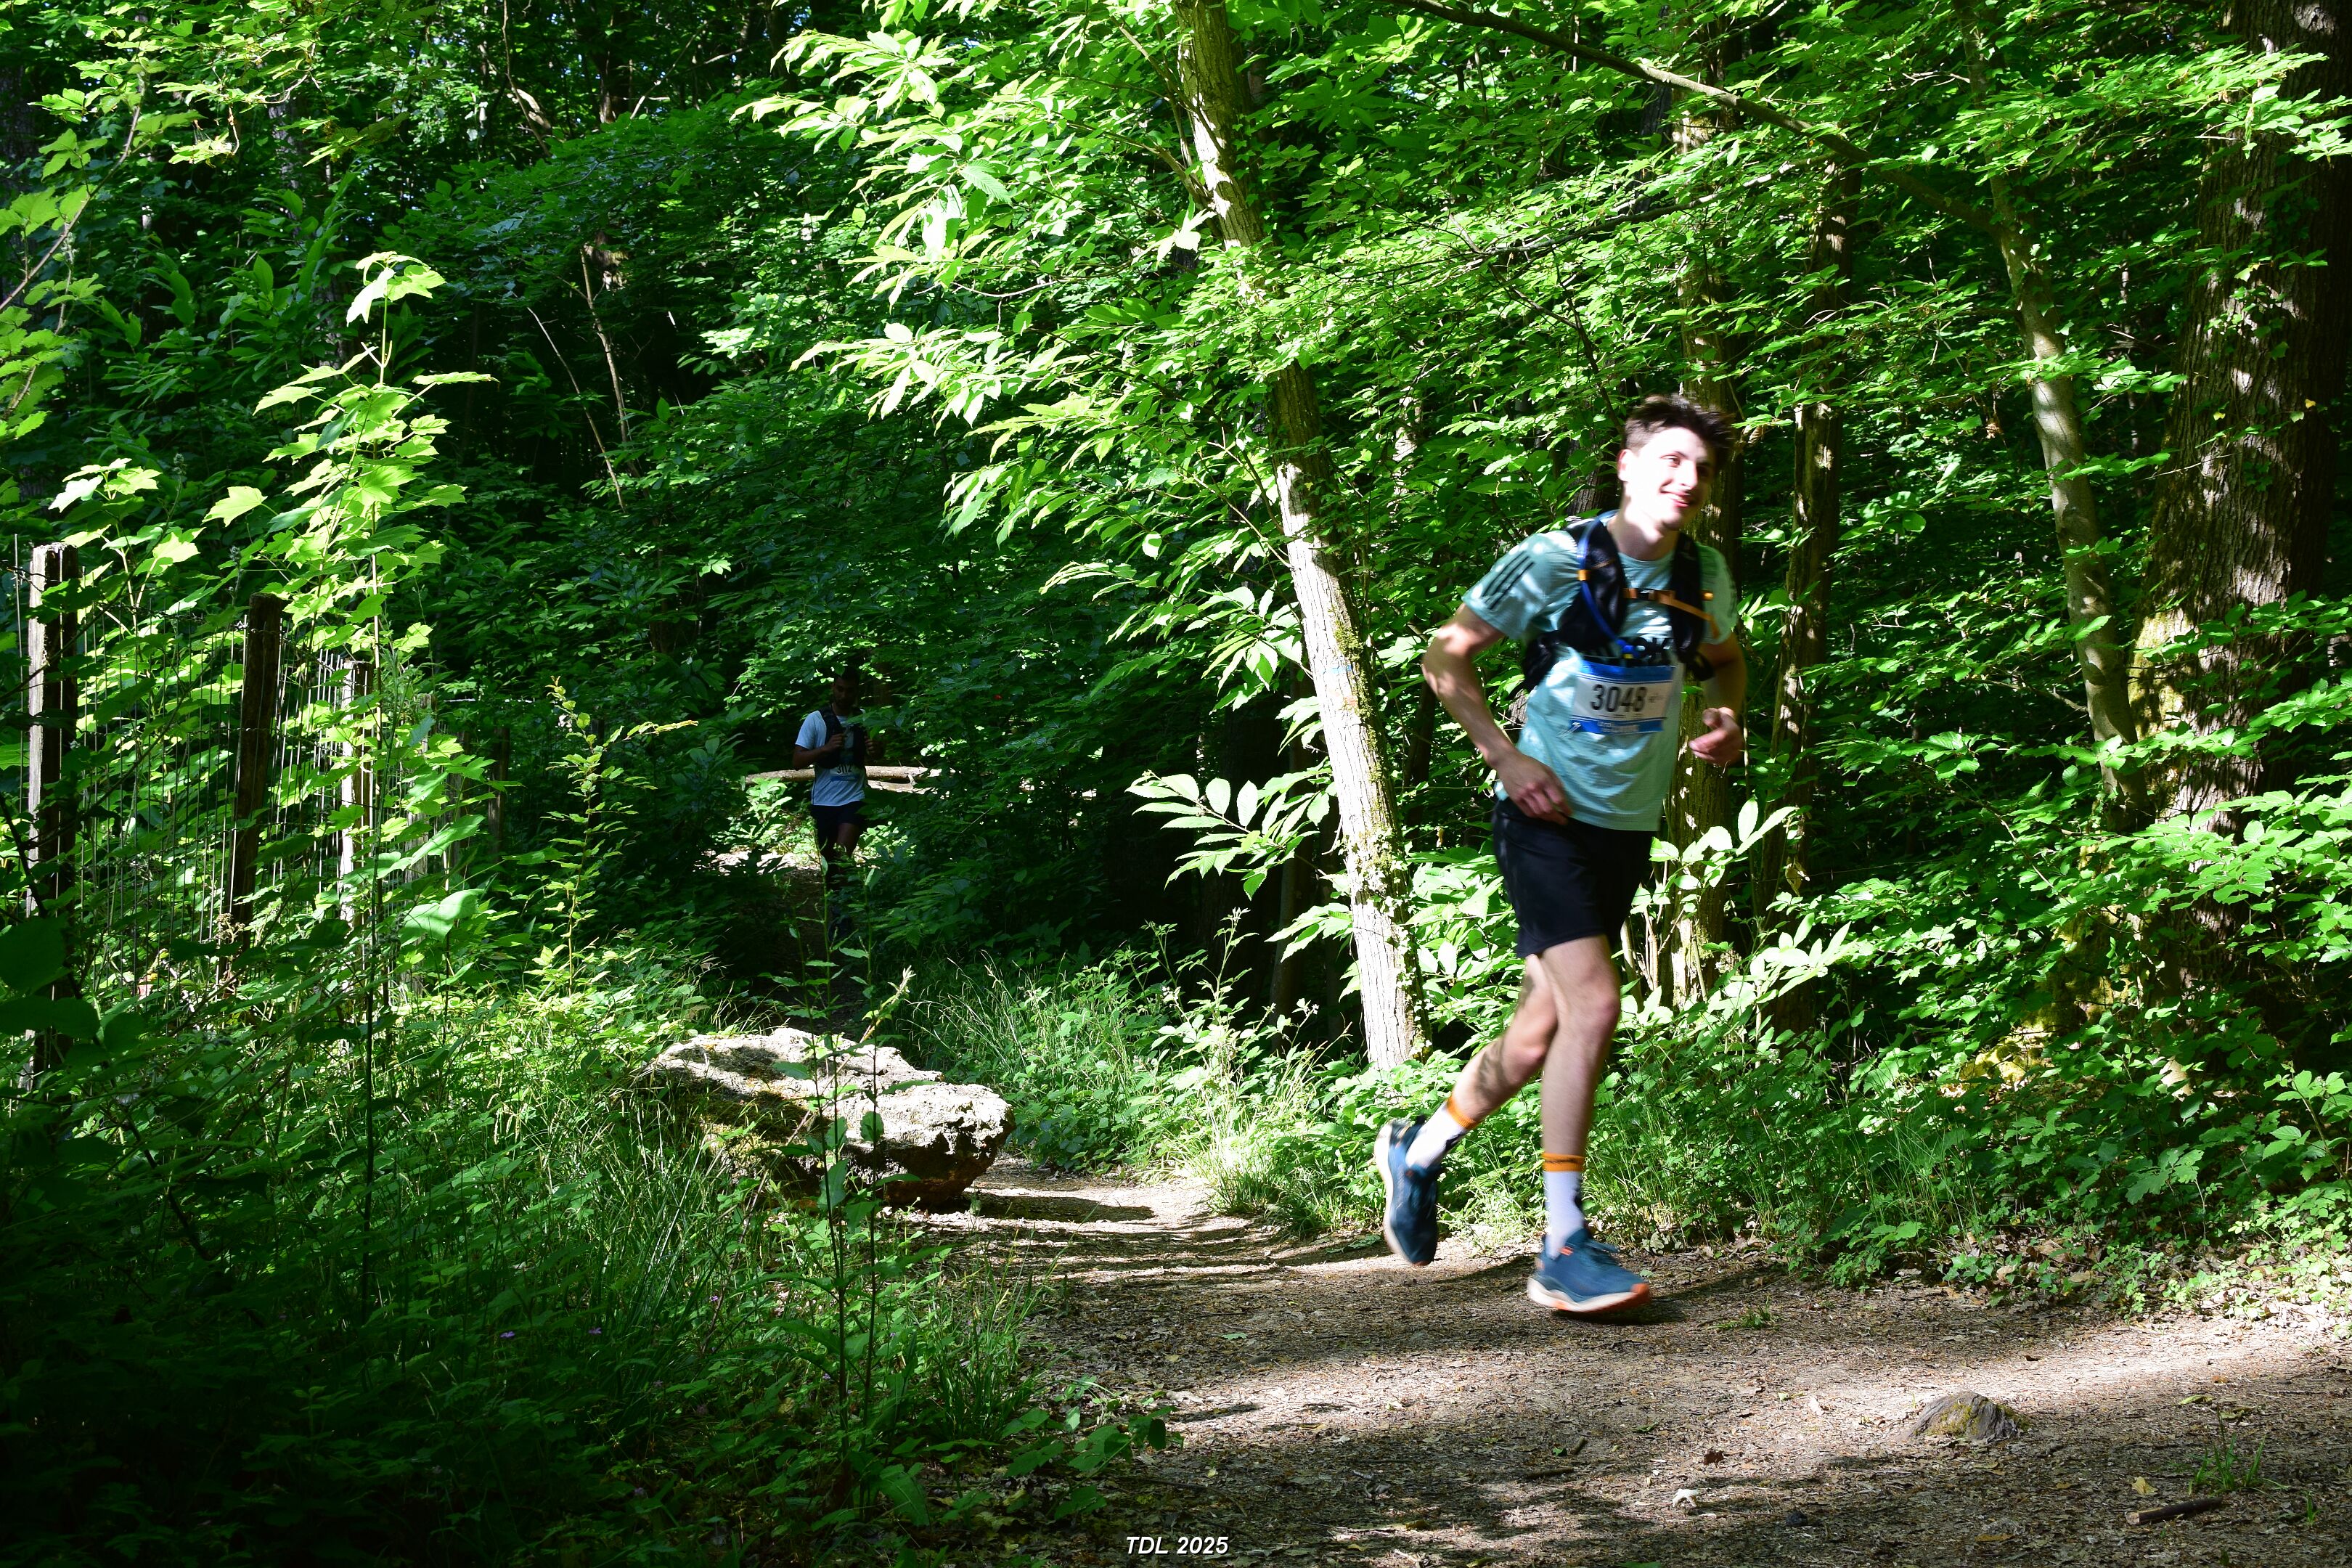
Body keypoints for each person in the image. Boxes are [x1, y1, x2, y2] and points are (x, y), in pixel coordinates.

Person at [1378, 394, 1747, 1315]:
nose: (1686, 480)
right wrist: (1506, 758)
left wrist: (1726, 715)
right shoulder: (1554, 558)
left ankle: (1417, 1153)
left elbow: (1728, 660)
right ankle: (1563, 1243)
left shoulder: (1702, 573)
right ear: (1627, 465)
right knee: (1597, 1004)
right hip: (1540, 819)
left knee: (1539, 1031)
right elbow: (1446, 657)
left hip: (1626, 827)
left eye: (1700, 469)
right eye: (1669, 460)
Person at [794, 669, 870, 876]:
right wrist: (825, 749)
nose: (844, 695)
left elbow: (873, 753)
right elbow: (797, 761)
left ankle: (848, 894)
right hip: (824, 801)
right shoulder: (815, 720)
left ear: (857, 691)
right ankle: (839, 894)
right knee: (829, 864)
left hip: (855, 798)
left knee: (842, 856)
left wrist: (877, 749)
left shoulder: (864, 718)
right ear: (833, 688)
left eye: (850, 691)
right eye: (840, 689)